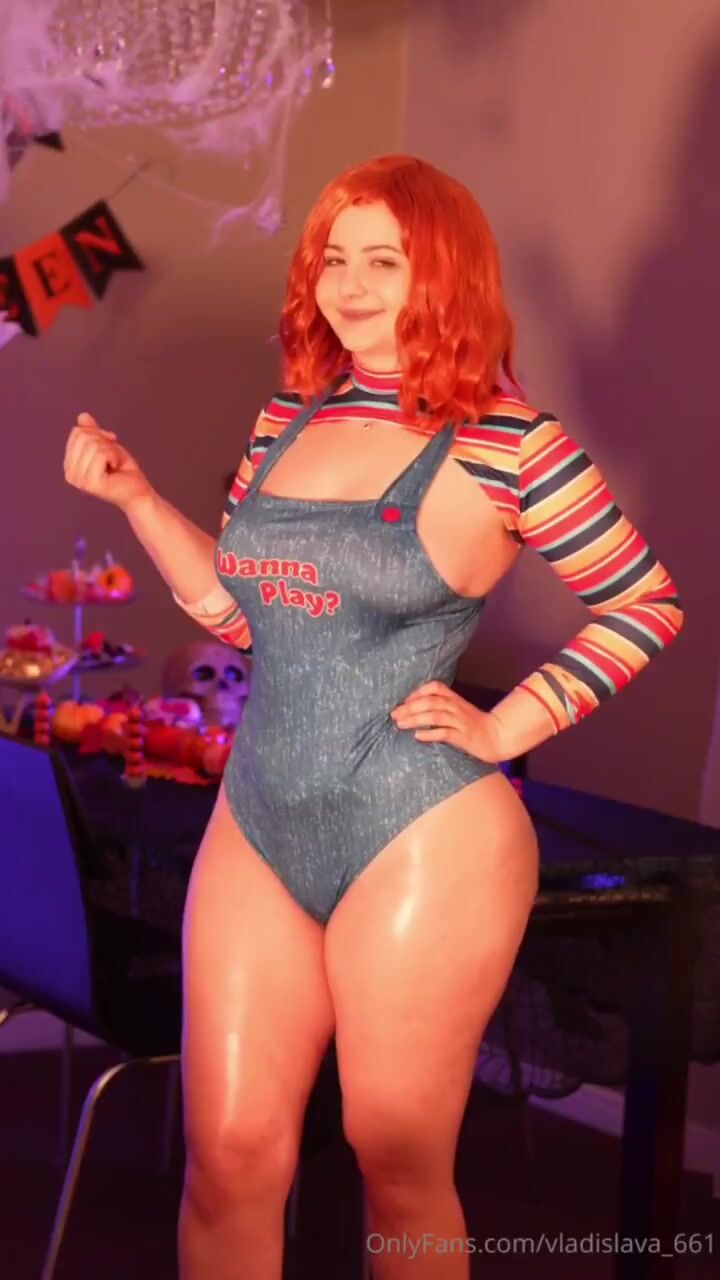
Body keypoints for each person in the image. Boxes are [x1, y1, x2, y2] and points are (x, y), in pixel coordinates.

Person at [63, 155, 683, 1280]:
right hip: (260, 813)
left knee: (395, 1154)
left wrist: (507, 729)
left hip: (420, 826)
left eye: (383, 262)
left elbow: (647, 602)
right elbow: (247, 621)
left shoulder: (511, 440)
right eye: (333, 259)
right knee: (229, 1155)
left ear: (443, 273)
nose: (349, 286)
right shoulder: (285, 418)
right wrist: (138, 500)